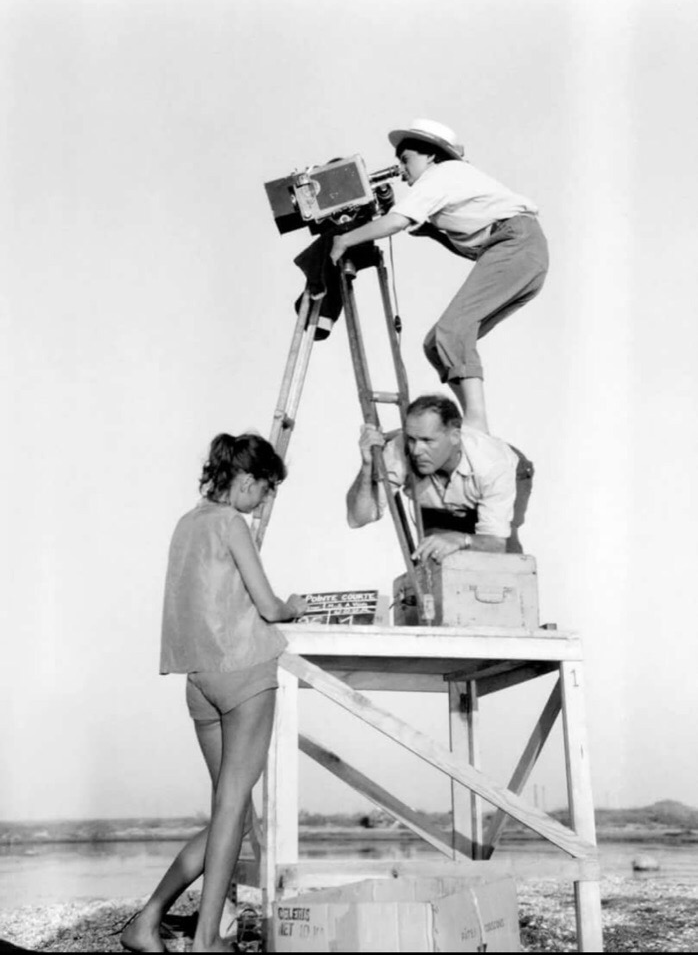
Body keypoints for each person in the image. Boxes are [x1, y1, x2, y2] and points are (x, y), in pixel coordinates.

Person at [122, 434, 307, 954]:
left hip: (199, 681)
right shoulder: (231, 523)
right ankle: (206, 941)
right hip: (243, 673)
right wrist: (293, 606)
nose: (265, 501)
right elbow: (268, 606)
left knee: (233, 813)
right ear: (246, 481)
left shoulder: (187, 523)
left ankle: (147, 922)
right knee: (232, 810)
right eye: (266, 489)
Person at [330, 118, 549, 435]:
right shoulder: (449, 183)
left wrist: (345, 240)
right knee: (435, 344)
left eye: (406, 160)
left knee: (452, 330)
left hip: (517, 245)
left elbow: (396, 222)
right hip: (524, 253)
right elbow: (466, 244)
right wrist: (421, 226)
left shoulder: (441, 174)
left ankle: (477, 423)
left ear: (431, 155)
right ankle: (469, 420)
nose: (401, 170)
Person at [346, 394, 533, 563]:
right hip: (439, 497)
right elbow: (358, 518)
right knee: (435, 554)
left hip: (510, 475)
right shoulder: (398, 450)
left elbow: (496, 544)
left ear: (455, 436)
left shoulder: (493, 465)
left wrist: (462, 539)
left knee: (504, 561)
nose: (416, 451)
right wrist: (367, 466)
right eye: (411, 439)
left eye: (427, 441)